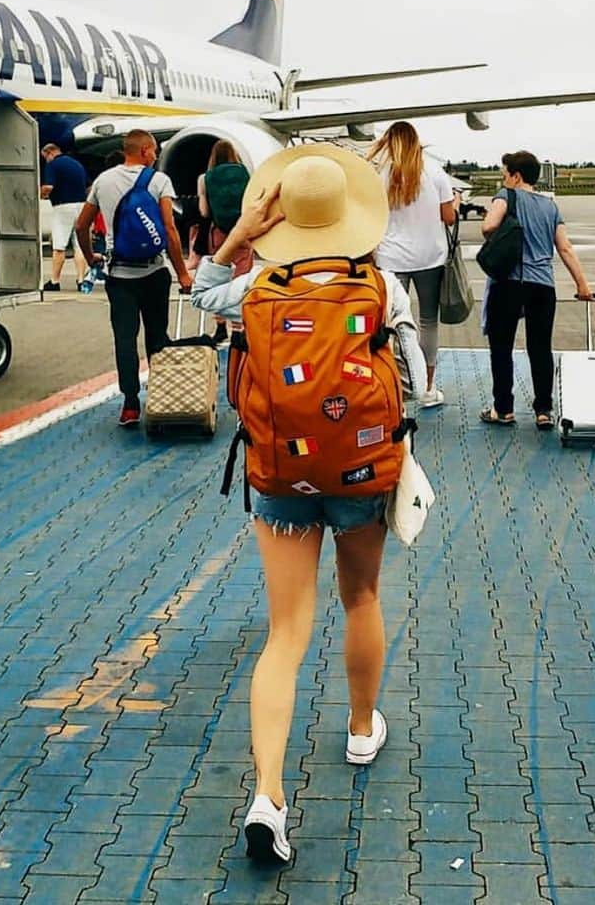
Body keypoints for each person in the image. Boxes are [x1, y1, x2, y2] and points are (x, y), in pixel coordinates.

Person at [190, 144, 426, 864]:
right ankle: (360, 728)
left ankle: (268, 796)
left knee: (285, 634)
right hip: (361, 472)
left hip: (277, 476)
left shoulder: (255, 288)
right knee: (360, 598)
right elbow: (414, 376)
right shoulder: (383, 287)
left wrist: (238, 233)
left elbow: (199, 292)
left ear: (281, 216)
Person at [75, 129, 192, 426]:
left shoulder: (103, 181)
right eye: (153, 151)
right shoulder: (159, 181)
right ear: (144, 151)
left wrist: (91, 258)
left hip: (119, 275)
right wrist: (182, 273)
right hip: (154, 272)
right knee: (157, 337)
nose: (155, 156)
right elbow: (170, 231)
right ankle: (162, 396)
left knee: (125, 340)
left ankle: (130, 403)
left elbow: (81, 226)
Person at [479, 150, 594, 429]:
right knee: (541, 348)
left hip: (510, 282)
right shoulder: (551, 207)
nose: (503, 180)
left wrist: (498, 230)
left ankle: (503, 409)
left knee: (502, 347)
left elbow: (488, 226)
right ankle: (544, 410)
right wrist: (582, 283)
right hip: (543, 284)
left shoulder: (506, 196)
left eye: (505, 175)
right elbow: (564, 247)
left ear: (516, 177)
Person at [369, 121, 457, 407]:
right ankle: (428, 388)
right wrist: (454, 202)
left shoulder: (380, 174)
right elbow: (449, 218)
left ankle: (393, 386)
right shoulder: (435, 173)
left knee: (391, 323)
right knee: (428, 321)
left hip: (390, 259)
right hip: (430, 257)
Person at [197, 139, 253, 343]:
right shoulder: (244, 173)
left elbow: (204, 211)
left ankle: (220, 326)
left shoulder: (205, 178)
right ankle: (239, 328)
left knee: (219, 281)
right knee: (242, 280)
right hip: (243, 233)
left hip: (218, 234)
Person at [40, 143, 91, 291]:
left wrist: (40, 194)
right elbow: (89, 187)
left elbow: (48, 187)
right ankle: (81, 280)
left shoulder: (53, 165)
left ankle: (54, 281)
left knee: (59, 246)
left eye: (45, 158)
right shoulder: (77, 164)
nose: (46, 161)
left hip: (63, 207)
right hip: (81, 206)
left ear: (49, 153)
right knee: (79, 245)